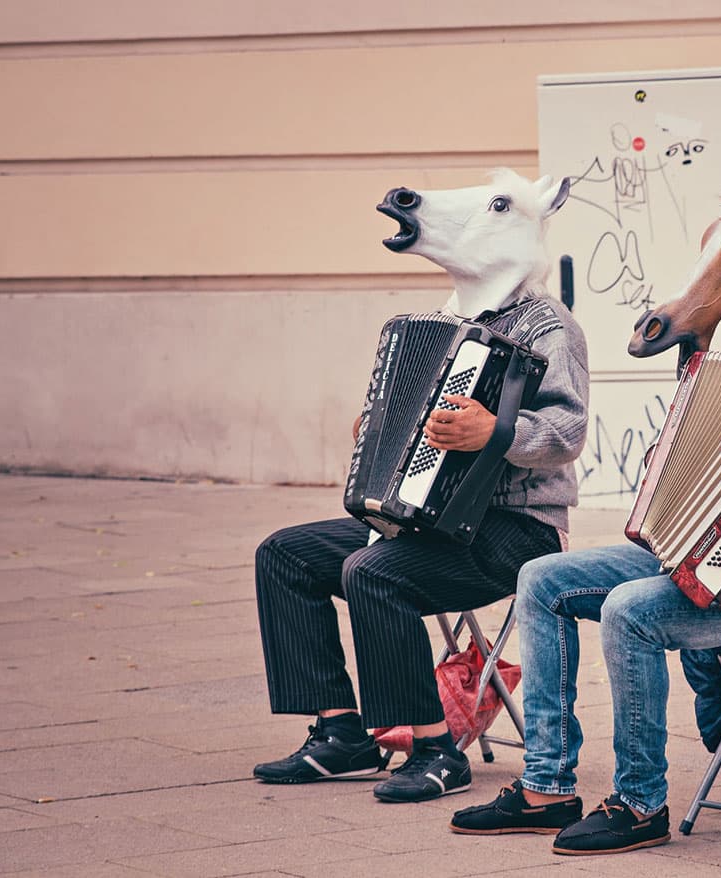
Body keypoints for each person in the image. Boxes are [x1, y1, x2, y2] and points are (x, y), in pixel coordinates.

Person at [450, 153, 721, 853]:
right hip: (697, 556)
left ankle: (639, 803)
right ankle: (547, 785)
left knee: (630, 611)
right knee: (541, 580)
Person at [252, 173, 587, 803]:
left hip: (517, 531)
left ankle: (436, 750)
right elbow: (402, 411)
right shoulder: (443, 321)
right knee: (284, 555)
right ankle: (340, 731)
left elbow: (567, 433)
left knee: (373, 572)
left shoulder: (550, 326)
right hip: (430, 520)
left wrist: (496, 432)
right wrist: (377, 428)